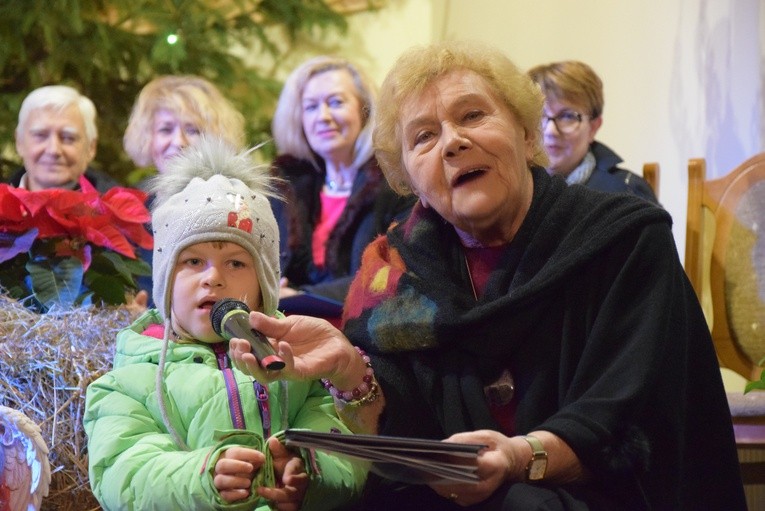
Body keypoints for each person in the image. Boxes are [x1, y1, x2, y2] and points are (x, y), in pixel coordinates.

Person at [230, 41, 746, 510]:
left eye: (473, 115)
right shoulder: (392, 269)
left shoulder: (622, 240)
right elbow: (403, 443)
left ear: (525, 134)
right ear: (409, 178)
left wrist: (520, 457)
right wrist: (347, 368)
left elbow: (636, 415)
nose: (452, 143)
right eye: (424, 137)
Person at [83, 137, 366, 510]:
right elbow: (124, 474)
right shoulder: (126, 383)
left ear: (264, 288)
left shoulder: (296, 364)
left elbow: (343, 446)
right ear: (165, 282)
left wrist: (309, 473)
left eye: (236, 263)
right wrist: (203, 477)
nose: (213, 278)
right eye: (193, 262)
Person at [271, 56, 415, 303]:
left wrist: (303, 296)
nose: (323, 116)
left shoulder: (397, 184)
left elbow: (393, 273)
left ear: (364, 110)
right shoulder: (285, 189)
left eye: (336, 102)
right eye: (311, 107)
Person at [123, 75, 249, 308]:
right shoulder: (133, 209)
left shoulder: (240, 206)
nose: (178, 141)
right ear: (148, 138)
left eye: (192, 130)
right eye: (165, 129)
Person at [527, 61, 657, 203]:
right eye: (540, 115)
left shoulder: (627, 193)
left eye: (567, 116)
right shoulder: (511, 190)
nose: (550, 131)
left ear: (593, 128)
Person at [10, 85, 118, 192]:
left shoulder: (119, 208)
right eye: (41, 136)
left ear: (91, 147)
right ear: (19, 142)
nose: (53, 150)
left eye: (68, 138)